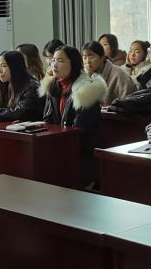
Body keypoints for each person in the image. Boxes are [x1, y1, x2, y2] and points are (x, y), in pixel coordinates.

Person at [40, 45, 108, 187]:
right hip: (59, 149)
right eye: (53, 60)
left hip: (81, 153)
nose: (54, 65)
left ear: (74, 63)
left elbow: (80, 129)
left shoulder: (87, 90)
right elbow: (48, 120)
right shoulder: (53, 87)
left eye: (60, 61)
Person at [0, 50, 45, 122]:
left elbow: (20, 113)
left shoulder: (32, 87)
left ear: (16, 67)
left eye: (4, 66)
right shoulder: (6, 84)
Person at [82, 41, 137, 106]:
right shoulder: (86, 74)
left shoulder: (119, 75)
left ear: (102, 57)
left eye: (91, 57)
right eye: (85, 57)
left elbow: (127, 105)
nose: (88, 61)